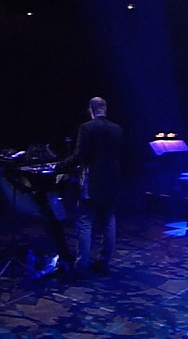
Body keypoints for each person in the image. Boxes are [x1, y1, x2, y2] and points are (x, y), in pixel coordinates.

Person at [56, 96, 124, 278]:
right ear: (105, 108)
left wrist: (61, 166)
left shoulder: (87, 127)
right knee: (109, 220)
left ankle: (82, 265)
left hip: (93, 180)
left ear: (91, 110)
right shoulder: (117, 129)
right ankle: (104, 262)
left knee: (84, 221)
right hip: (113, 181)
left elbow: (80, 155)